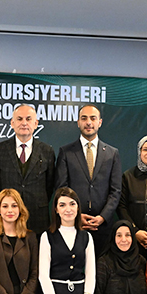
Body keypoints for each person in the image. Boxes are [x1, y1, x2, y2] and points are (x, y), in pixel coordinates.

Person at [55, 105, 122, 254]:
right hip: (73, 224)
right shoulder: (66, 152)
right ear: (78, 122)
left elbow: (116, 191)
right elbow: (61, 189)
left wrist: (102, 217)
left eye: (93, 118)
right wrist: (76, 215)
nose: (89, 122)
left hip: (103, 228)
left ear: (100, 122)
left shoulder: (112, 153)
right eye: (84, 118)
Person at [0, 104, 55, 235]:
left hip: (38, 217)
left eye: (28, 119)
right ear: (12, 123)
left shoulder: (47, 151)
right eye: (19, 119)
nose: (24, 123)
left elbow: (49, 185)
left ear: (36, 123)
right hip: (8, 218)